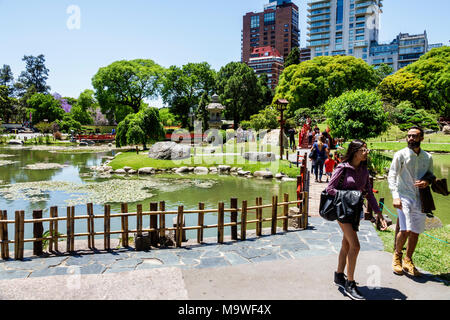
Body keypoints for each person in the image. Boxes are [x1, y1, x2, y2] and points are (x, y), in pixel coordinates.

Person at [326, 139, 387, 300]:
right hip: (343, 210)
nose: (366, 152)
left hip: (355, 211)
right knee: (356, 245)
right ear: (355, 152)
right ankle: (350, 284)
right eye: (363, 150)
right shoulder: (342, 168)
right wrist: (351, 195)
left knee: (346, 244)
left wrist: (378, 213)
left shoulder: (364, 170)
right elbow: (330, 189)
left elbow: (369, 193)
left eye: (367, 150)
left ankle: (339, 275)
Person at [388, 126, 433, 277]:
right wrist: (395, 195)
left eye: (414, 136)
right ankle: (397, 256)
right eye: (409, 136)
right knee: (405, 229)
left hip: (420, 198)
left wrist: (426, 181)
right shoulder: (400, 155)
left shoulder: (428, 157)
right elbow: (392, 175)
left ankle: (408, 259)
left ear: (422, 138)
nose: (411, 139)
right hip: (403, 196)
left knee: (415, 232)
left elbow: (431, 175)